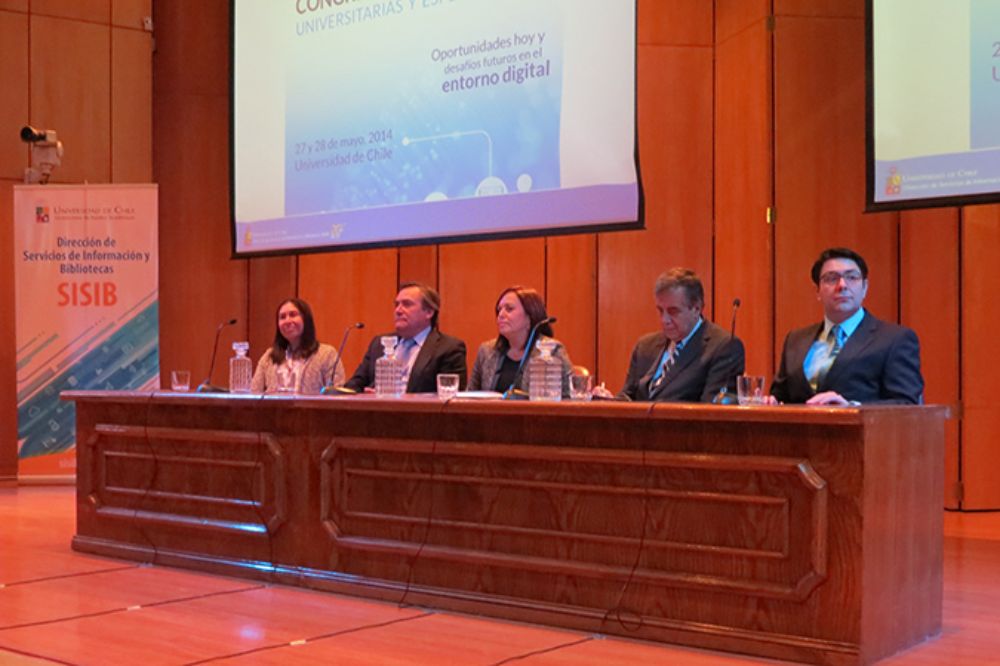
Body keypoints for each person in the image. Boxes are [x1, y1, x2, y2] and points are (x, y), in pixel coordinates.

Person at [769, 247, 923, 405]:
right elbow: (781, 397)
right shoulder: (795, 340)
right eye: (831, 278)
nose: (842, 285)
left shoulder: (894, 339)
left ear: (865, 287)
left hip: (864, 422)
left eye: (852, 277)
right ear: (818, 291)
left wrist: (851, 408)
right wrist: (769, 402)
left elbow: (906, 404)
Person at [596, 267, 744, 402]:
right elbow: (629, 396)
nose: (664, 320)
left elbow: (711, 411)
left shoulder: (723, 347)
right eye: (660, 311)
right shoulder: (645, 346)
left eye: (673, 311)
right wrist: (607, 401)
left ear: (696, 308)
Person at [344, 281, 467, 393]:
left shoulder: (448, 349)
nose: (398, 310)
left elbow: (449, 397)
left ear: (429, 312)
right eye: (396, 304)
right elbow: (355, 385)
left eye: (407, 304)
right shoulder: (379, 344)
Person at [468, 286, 573, 397]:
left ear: (529, 317)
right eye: (499, 310)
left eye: (509, 309)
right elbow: (469, 397)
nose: (501, 315)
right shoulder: (487, 351)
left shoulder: (552, 350)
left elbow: (571, 397)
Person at [250, 298, 344, 394]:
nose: (287, 321)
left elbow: (337, 395)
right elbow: (253, 393)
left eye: (293, 315)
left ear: (306, 319)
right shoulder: (269, 357)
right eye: (282, 317)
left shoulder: (327, 354)